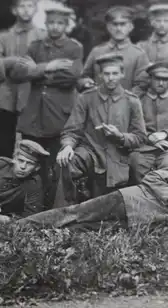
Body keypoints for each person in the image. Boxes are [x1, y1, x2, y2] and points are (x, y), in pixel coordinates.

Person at [16, 146, 168, 230]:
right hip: (131, 199)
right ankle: (17, 228)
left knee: (85, 229)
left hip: (149, 221)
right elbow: (152, 177)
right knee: (76, 212)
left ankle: (37, 236)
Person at [54, 53, 146, 207]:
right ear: (100, 75)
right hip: (91, 152)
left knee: (108, 206)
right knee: (68, 161)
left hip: (118, 156)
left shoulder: (132, 101)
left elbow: (141, 137)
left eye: (115, 73)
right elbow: (71, 130)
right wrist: (68, 146)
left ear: (122, 74)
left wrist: (120, 136)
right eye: (107, 74)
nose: (111, 78)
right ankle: (61, 214)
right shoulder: (86, 98)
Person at [17, 5, 83, 208]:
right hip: (34, 112)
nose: (55, 27)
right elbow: (20, 72)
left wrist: (37, 72)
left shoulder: (74, 48)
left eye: (60, 23)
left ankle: (55, 204)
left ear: (66, 25)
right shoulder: (35, 46)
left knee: (57, 162)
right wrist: (49, 67)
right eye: (52, 22)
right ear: (45, 24)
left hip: (58, 113)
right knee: (31, 159)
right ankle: (30, 202)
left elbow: (71, 76)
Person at [0, 0, 46, 158]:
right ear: (14, 10)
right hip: (6, 97)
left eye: (30, 6)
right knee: (4, 144)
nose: (26, 10)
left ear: (35, 9)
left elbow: (46, 66)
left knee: (32, 145)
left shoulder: (43, 36)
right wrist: (12, 60)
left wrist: (35, 69)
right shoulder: (4, 37)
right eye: (21, 6)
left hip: (34, 96)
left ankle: (33, 180)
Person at [79, 6, 149, 91]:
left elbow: (142, 85)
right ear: (108, 27)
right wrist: (87, 83)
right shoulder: (97, 51)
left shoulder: (139, 54)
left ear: (131, 27)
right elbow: (83, 77)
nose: (118, 29)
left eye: (123, 24)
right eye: (115, 24)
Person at [0, 140, 48, 223]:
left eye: (29, 163)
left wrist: (6, 219)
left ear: (37, 167)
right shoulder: (2, 165)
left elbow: (31, 216)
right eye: (20, 160)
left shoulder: (34, 183)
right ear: (14, 159)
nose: (23, 167)